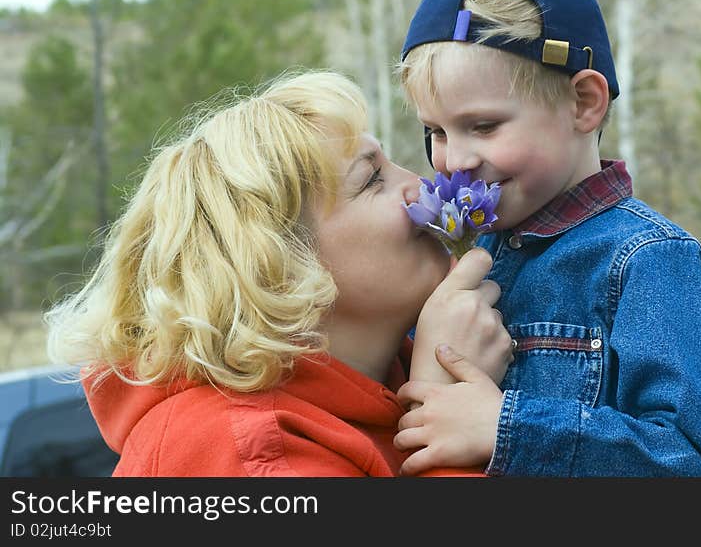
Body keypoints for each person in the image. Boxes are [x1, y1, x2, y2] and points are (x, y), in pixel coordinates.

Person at [43, 70, 513, 477]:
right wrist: (440, 410)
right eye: (371, 179)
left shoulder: (386, 383)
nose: (423, 184)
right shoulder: (246, 454)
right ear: (277, 265)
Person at [393, 0, 701, 477]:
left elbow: (692, 464)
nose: (456, 161)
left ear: (584, 103)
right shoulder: (464, 251)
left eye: (484, 126)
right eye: (437, 132)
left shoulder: (652, 265)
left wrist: (505, 427)